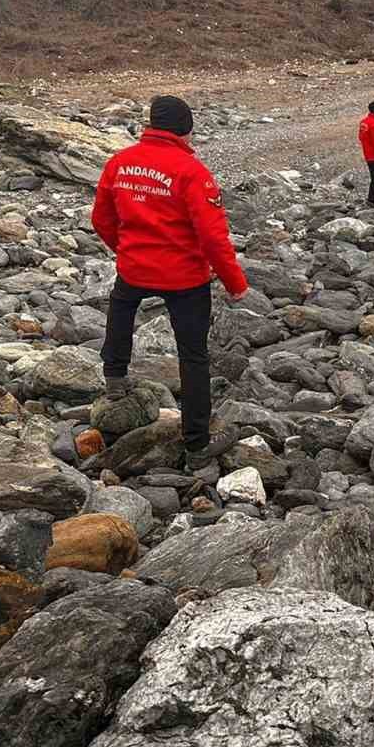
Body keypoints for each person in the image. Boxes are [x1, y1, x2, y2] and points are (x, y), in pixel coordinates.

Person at [91, 95, 250, 474]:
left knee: (122, 306)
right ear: (184, 128)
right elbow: (213, 237)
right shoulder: (191, 171)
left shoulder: (119, 163)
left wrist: (126, 250)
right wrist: (235, 282)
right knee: (193, 355)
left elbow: (101, 218)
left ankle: (114, 376)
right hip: (184, 276)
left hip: (135, 267)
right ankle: (197, 442)